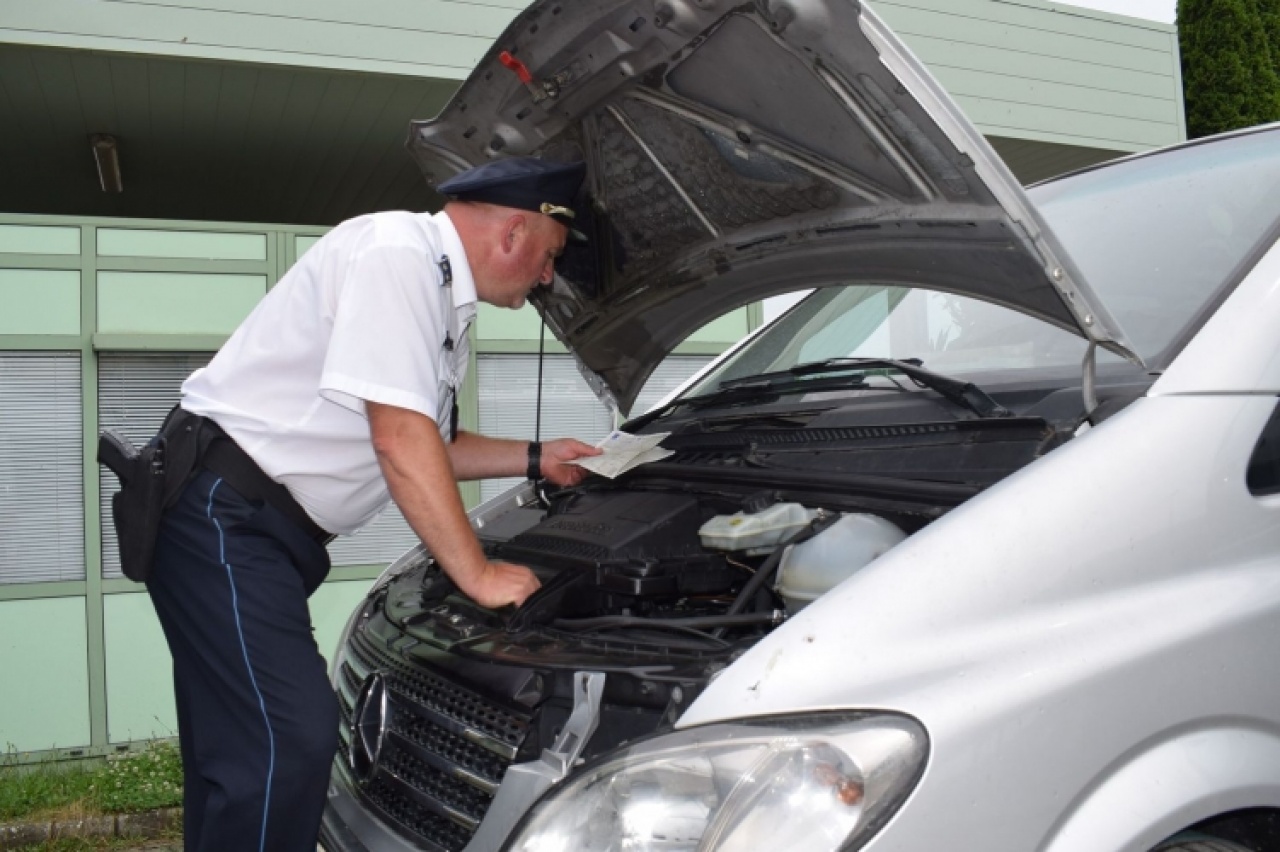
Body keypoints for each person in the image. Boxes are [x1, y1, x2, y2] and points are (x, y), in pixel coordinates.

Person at [144, 157, 602, 852]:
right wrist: (476, 573)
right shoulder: (397, 256)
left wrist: (538, 457)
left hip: (246, 527)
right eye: (551, 255)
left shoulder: (435, 285)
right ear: (514, 232)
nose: (548, 276)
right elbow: (398, 438)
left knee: (240, 755)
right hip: (223, 517)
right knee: (289, 741)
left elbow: (427, 441)